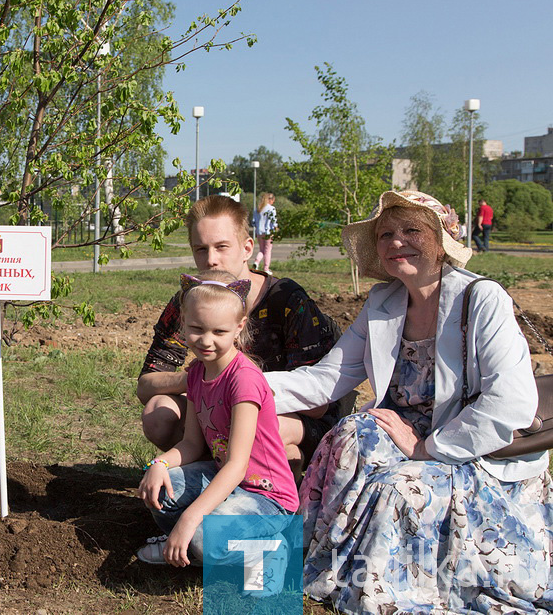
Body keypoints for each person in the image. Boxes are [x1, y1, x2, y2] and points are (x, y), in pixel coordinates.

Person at [266, 190, 553, 613]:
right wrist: (241, 388)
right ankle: (318, 556)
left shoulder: (482, 299)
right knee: (350, 434)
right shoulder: (384, 301)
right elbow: (327, 379)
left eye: (411, 230)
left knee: (396, 487)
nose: (396, 241)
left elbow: (509, 403)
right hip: (411, 433)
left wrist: (426, 450)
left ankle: (391, 579)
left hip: (473, 449)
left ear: (440, 241)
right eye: (385, 235)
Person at [138, 195, 343, 476]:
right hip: (216, 414)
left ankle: (271, 495)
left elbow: (319, 402)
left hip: (286, 419)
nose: (211, 260)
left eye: (221, 247)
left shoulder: (286, 299)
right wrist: (201, 381)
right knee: (157, 412)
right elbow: (146, 384)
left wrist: (236, 387)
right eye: (200, 249)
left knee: (270, 432)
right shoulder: (191, 300)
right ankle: (209, 474)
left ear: (247, 247)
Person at [136, 271, 298, 574]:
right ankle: (194, 545)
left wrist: (190, 517)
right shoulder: (198, 372)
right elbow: (192, 444)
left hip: (266, 496)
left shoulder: (244, 380)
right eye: (196, 328)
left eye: (219, 332)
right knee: (159, 489)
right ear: (183, 323)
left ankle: (269, 549)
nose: (206, 341)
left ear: (239, 328)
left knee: (199, 535)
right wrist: (158, 464)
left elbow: (238, 465)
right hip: (224, 477)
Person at [252, 192, 277, 273]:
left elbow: (253, 222)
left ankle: (256, 262)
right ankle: (266, 268)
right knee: (267, 250)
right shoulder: (271, 208)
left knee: (261, 250)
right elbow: (274, 221)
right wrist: (276, 228)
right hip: (268, 231)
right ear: (271, 200)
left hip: (259, 231)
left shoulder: (257, 209)